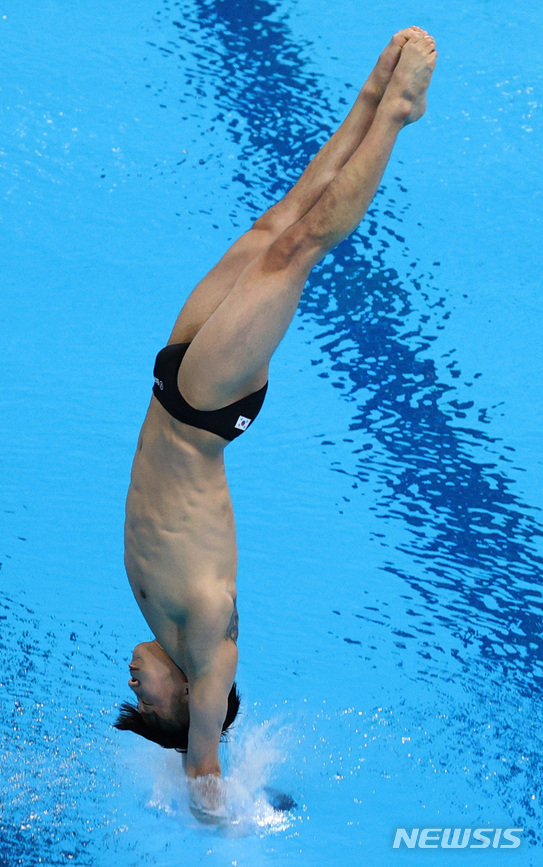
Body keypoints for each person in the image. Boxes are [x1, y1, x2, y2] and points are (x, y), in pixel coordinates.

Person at [116, 27, 437, 818]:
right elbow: (205, 761)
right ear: (185, 698)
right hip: (206, 408)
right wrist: (214, 801)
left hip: (175, 388)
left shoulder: (159, 617)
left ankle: (370, 95)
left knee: (273, 225)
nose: (132, 683)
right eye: (145, 700)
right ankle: (395, 115)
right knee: (296, 249)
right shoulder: (208, 650)